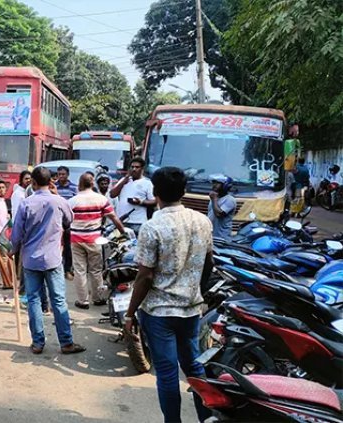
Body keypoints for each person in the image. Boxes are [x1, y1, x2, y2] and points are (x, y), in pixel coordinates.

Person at [123, 166, 213, 423]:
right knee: (195, 367)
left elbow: (145, 276)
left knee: (167, 373)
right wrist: (199, 292)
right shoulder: (202, 222)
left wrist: (130, 314)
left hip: (159, 313)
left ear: (155, 192)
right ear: (184, 191)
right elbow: (209, 263)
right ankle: (207, 418)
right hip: (191, 309)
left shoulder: (152, 227)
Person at [10, 166, 86, 355]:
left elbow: (17, 233)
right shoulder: (59, 201)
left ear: (33, 183)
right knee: (58, 300)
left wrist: (13, 250)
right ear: (50, 182)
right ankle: (66, 342)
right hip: (52, 259)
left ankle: (37, 343)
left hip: (31, 259)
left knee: (34, 300)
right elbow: (69, 221)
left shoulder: (26, 204)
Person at [68, 173, 128, 309]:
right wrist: (123, 232)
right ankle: (98, 297)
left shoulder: (72, 201)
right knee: (96, 270)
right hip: (94, 239)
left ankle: (83, 301)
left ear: (80, 184)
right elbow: (113, 217)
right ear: (92, 183)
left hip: (76, 239)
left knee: (80, 270)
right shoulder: (101, 199)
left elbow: (65, 220)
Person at [110, 157, 155, 234]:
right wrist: (125, 179)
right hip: (121, 220)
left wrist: (140, 202)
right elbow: (112, 194)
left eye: (137, 167)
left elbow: (154, 201)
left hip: (137, 222)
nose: (134, 169)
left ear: (142, 169)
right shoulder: (124, 180)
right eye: (132, 167)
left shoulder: (147, 183)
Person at [55, 166, 77, 279]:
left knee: (68, 247)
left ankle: (68, 269)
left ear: (67, 175)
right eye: (59, 174)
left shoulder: (74, 188)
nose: (61, 176)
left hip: (68, 222)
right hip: (55, 222)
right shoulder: (53, 187)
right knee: (55, 246)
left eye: (63, 174)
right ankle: (56, 269)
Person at [208, 175, 237, 239]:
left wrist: (214, 199)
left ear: (225, 186)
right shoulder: (214, 197)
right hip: (211, 235)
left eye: (218, 183)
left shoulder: (230, 200)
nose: (214, 185)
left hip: (222, 237)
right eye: (214, 183)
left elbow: (218, 214)